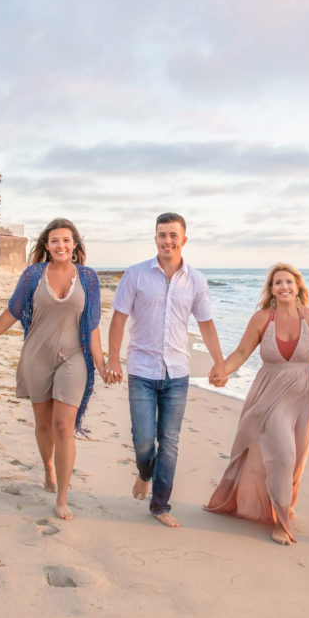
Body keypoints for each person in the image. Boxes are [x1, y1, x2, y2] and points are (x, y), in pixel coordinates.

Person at [204, 263, 309, 545]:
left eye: (289, 282)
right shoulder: (262, 319)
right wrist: (222, 370)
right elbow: (242, 352)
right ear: (271, 289)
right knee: (283, 454)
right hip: (269, 394)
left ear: (298, 287)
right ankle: (281, 523)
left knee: (297, 458)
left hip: (303, 396)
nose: (284, 287)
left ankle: (283, 506)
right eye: (278, 283)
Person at [0, 219, 106, 521]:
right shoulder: (33, 275)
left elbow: (93, 325)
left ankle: (62, 496)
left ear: (75, 244)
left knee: (64, 427)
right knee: (44, 425)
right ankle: (48, 467)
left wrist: (101, 364)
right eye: (54, 241)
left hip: (74, 358)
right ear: (46, 246)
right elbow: (13, 311)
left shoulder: (88, 278)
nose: (61, 246)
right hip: (37, 356)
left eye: (66, 240)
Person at [106, 212, 226, 528]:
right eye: (162, 235)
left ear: (183, 240)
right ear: (155, 238)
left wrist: (219, 361)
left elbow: (206, 324)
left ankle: (160, 506)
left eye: (173, 235)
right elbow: (118, 319)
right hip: (142, 370)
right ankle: (145, 472)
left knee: (169, 440)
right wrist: (113, 359)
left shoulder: (196, 280)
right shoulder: (135, 275)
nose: (167, 241)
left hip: (177, 373)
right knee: (144, 440)